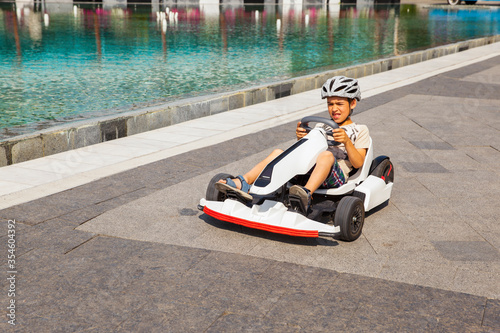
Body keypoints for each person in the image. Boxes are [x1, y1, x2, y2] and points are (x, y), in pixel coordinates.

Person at [215, 75, 370, 214]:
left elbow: (358, 162)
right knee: (277, 152)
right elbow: (308, 150)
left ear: (353, 103)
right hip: (310, 169)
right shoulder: (321, 126)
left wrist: (347, 142)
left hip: (335, 175)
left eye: (339, 103)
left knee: (326, 155)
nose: (334, 108)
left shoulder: (360, 129)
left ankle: (305, 194)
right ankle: (245, 182)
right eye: (330, 104)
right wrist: (301, 138)